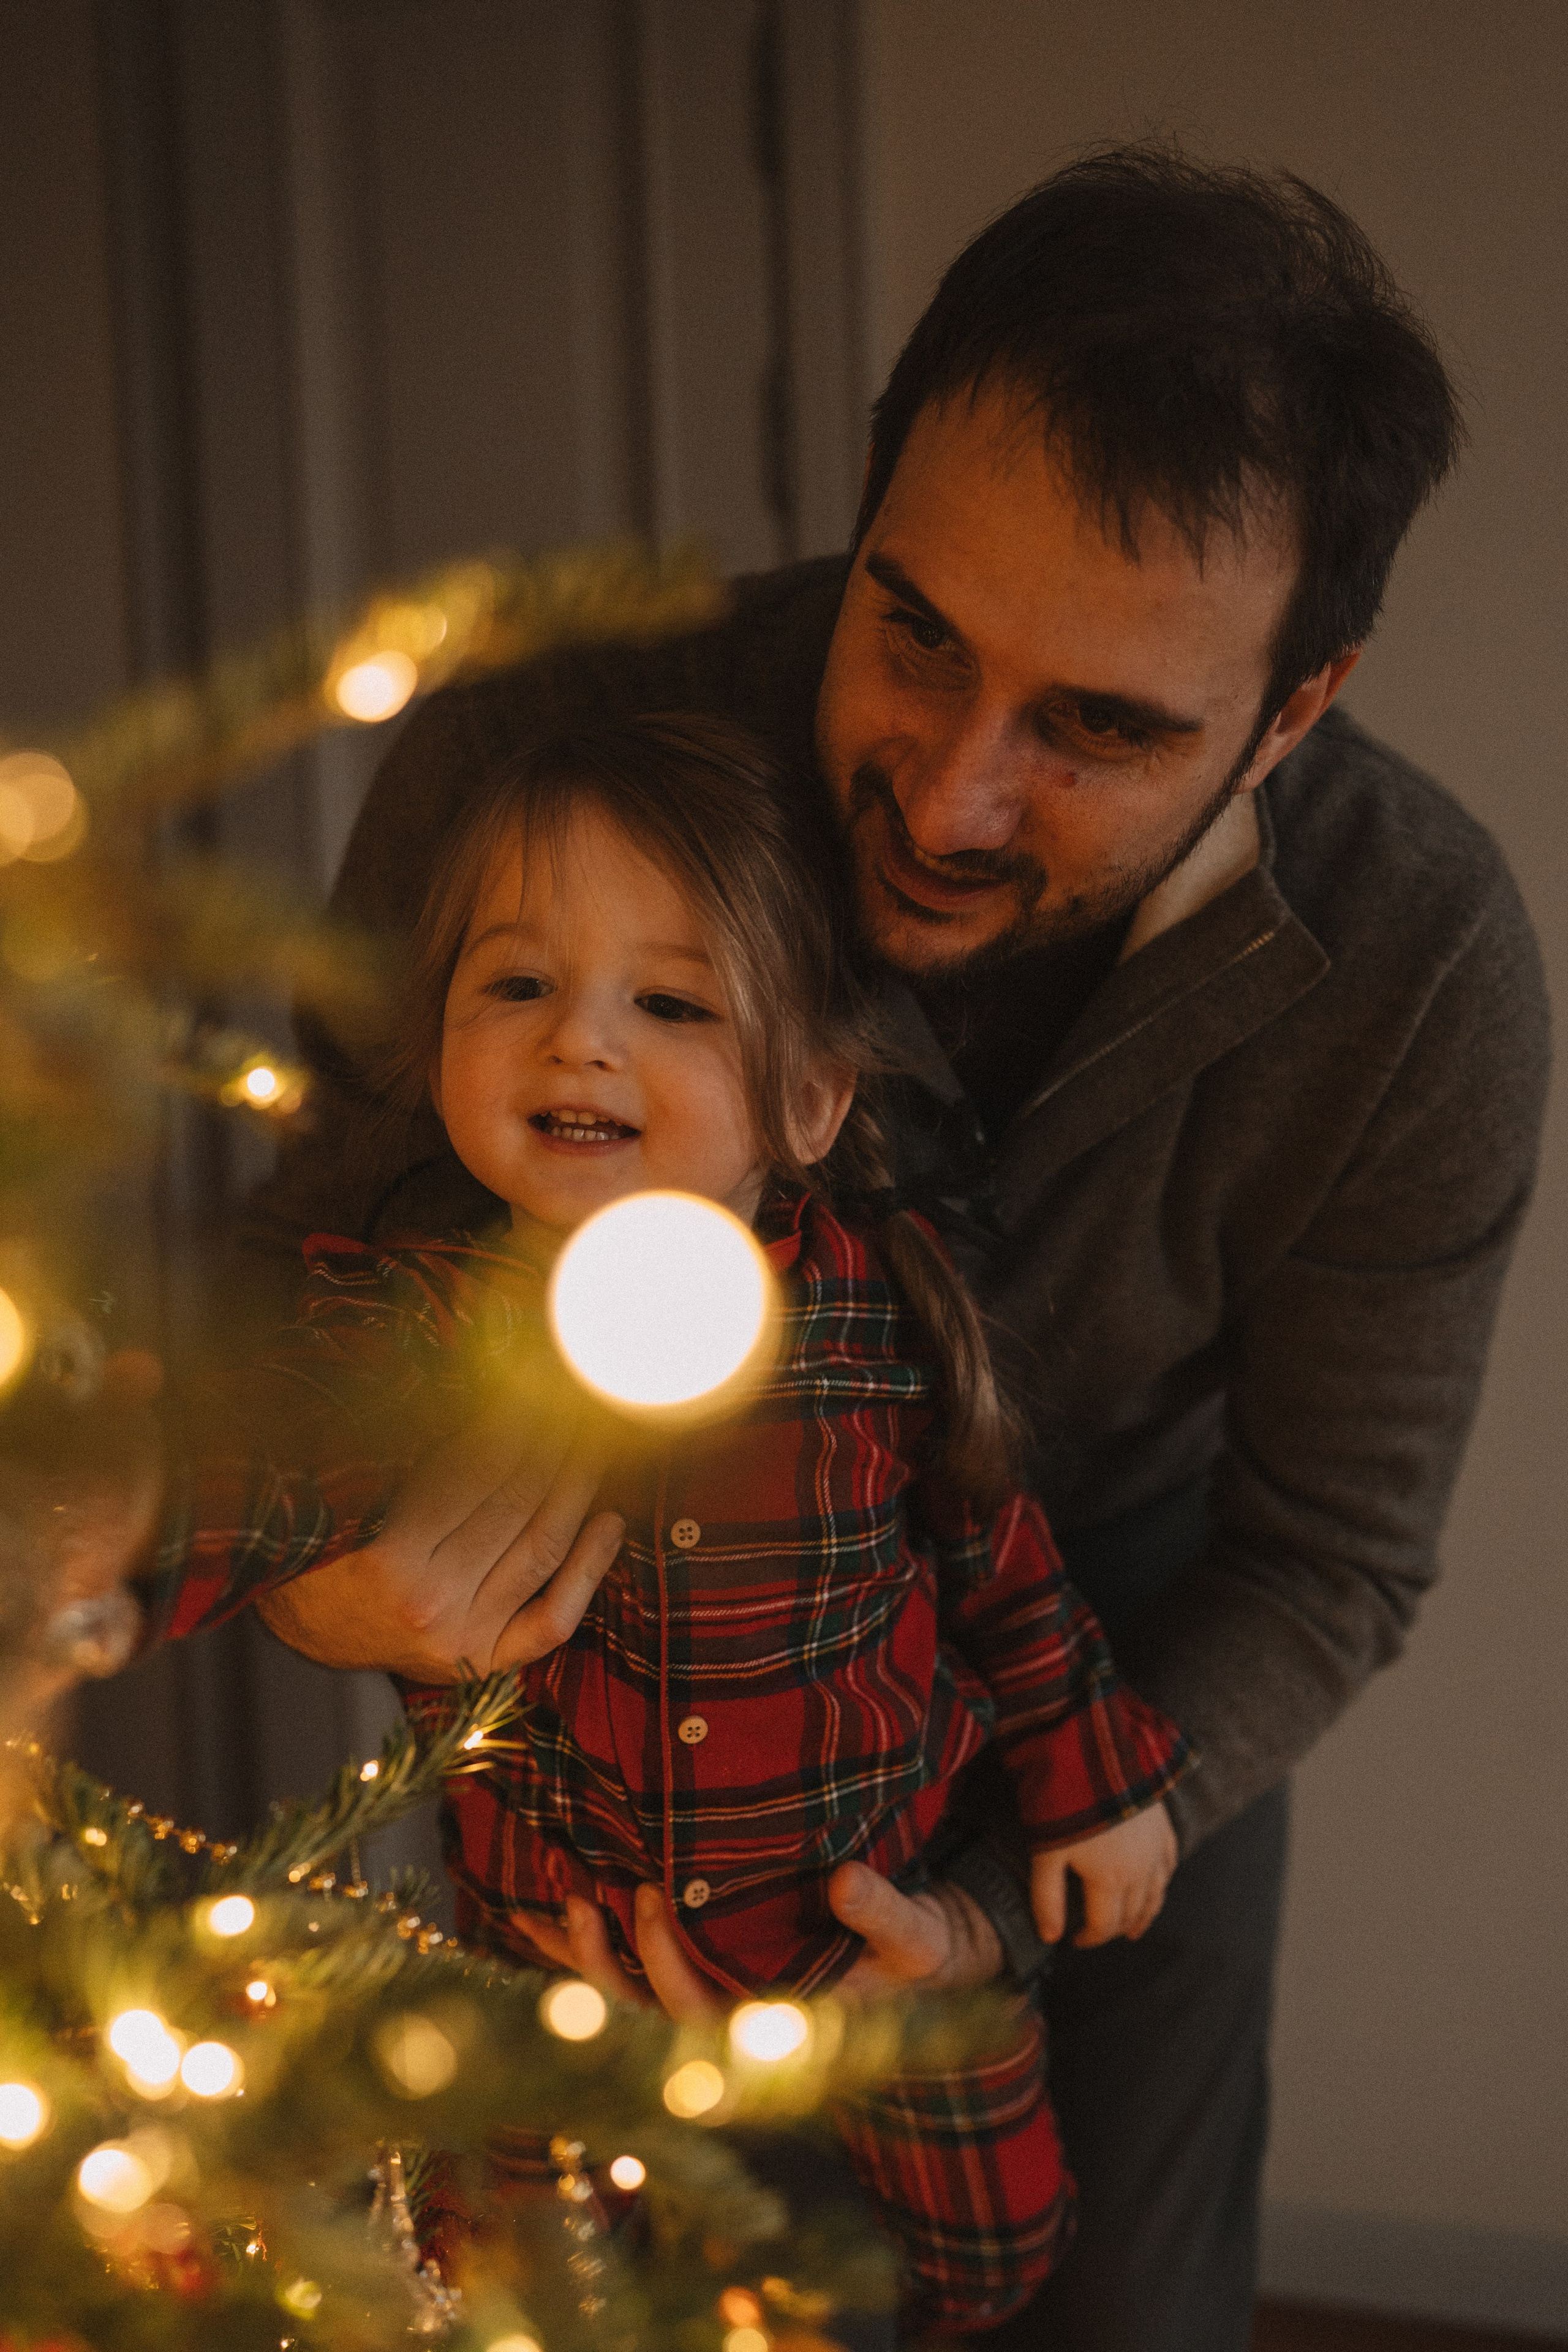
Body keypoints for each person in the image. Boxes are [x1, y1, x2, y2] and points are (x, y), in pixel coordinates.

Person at [144, 149, 1550, 2350]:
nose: (951, 796)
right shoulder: (536, 758)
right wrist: (325, 1585)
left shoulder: (1416, 964)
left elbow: (1333, 1558)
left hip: (1120, 1722)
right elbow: (286, 1263)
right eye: (918, 635)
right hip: (608, 1749)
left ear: (1295, 705)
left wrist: (985, 1908)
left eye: (1099, 728)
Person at [159, 713, 1189, 2334]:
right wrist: (88, 1535)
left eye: (671, 1004)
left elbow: (998, 1565)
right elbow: (258, 1472)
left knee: (993, 2259)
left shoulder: (874, 1314)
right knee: (508, 2292)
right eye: (518, 985)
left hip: (882, 1927)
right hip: (549, 1963)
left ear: (810, 1099)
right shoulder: (411, 1330)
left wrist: (1095, 1785)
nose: (579, 1042)